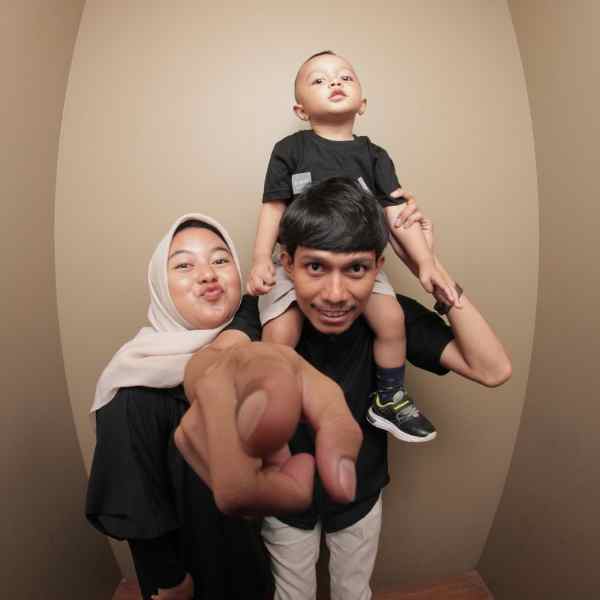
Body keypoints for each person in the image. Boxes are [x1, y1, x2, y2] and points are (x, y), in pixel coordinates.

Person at [176, 178, 512, 600]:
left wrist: (429, 268)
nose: (335, 294)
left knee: (354, 593)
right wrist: (208, 379)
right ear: (287, 264)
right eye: (316, 267)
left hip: (360, 491)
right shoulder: (264, 312)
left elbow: (492, 368)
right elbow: (215, 358)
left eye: (356, 269)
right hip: (284, 494)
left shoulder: (391, 318)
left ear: (378, 267)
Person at [248, 50, 460, 444]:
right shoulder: (289, 149)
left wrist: (427, 262)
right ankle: (275, 401)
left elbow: (398, 213)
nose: (334, 82)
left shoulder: (374, 156)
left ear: (362, 103)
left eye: (345, 77)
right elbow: (273, 207)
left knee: (392, 320)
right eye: (319, 79)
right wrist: (261, 258)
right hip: (299, 265)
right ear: (300, 109)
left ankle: (389, 397)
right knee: (280, 330)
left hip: (356, 265)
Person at [85, 214, 274, 600]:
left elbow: (257, 305)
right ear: (160, 285)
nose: (207, 275)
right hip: (188, 570)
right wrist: (170, 580)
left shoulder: (253, 331)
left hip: (249, 549)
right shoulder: (135, 385)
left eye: (220, 260)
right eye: (184, 266)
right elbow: (135, 500)